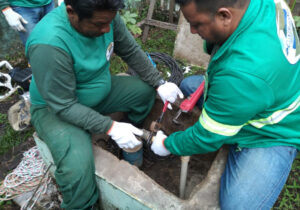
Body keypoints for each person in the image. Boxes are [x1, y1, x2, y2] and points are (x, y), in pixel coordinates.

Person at [25, 0, 183, 209]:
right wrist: (110, 127)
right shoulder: (49, 44)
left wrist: (159, 82)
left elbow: (130, 50)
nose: (106, 29)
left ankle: (130, 137)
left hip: (98, 90)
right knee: (77, 172)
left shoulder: (105, 16)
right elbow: (63, 106)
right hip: (55, 109)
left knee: (143, 92)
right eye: (99, 24)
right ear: (71, 11)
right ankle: (83, 204)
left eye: (109, 22)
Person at [151, 0, 300, 209]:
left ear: (224, 16)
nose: (192, 31)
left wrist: (168, 145)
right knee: (188, 85)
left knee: (237, 206)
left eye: (197, 24)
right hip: (263, 90)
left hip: (273, 130)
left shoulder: (241, 75)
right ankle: (229, 119)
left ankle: (236, 133)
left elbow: (206, 138)